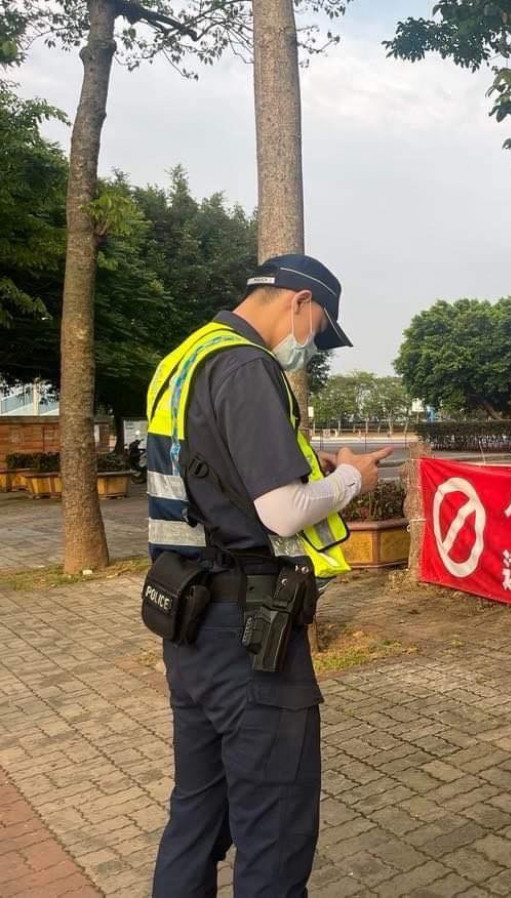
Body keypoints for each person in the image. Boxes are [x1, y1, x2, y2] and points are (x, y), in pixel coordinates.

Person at [147, 254, 390, 896]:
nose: (312, 345)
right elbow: (280, 509)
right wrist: (351, 480)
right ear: (298, 301)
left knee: (196, 815)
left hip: (187, 619)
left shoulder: (184, 359)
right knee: (272, 833)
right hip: (248, 637)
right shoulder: (246, 364)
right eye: (319, 327)